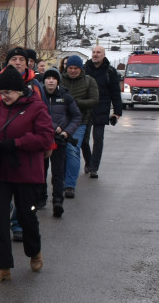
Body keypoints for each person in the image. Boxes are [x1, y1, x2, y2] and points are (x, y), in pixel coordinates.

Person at [0, 66, 53, 282]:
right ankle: (2, 267)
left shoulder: (37, 107)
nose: (3, 96)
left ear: (19, 90)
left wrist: (16, 143)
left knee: (27, 217)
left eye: (7, 92)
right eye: (0, 93)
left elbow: (45, 138)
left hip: (27, 172)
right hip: (0, 172)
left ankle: (34, 251)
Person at [40, 67, 81, 218]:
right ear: (44, 80)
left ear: (58, 80)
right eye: (48, 78)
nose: (50, 81)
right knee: (41, 172)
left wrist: (66, 132)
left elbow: (77, 117)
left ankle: (58, 201)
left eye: (53, 78)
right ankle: (41, 198)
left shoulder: (66, 97)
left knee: (57, 173)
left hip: (60, 140)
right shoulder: (38, 96)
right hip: (42, 139)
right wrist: (54, 127)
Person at [59, 55, 98, 200]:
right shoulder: (60, 80)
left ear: (80, 69)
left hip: (80, 122)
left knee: (73, 150)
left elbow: (94, 100)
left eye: (76, 68)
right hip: (61, 122)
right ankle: (61, 180)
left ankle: (70, 185)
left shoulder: (89, 81)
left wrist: (74, 103)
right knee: (60, 152)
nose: (73, 71)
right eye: (70, 68)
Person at [81, 45, 123, 178]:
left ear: (104, 55)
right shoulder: (84, 69)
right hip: (85, 109)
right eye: (93, 52)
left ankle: (94, 167)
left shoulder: (110, 71)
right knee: (83, 140)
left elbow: (115, 93)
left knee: (98, 139)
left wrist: (117, 112)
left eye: (98, 52)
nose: (95, 54)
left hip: (101, 109)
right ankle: (88, 161)